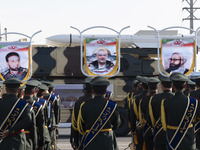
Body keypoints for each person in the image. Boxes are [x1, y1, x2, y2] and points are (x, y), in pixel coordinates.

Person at [77, 76, 121, 150]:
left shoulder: (84, 105)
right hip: (108, 140)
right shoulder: (112, 105)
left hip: (90, 140)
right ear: (105, 91)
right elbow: (117, 124)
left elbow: (80, 127)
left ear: (93, 90)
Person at [161, 73, 200, 150]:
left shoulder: (165, 102)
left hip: (172, 138)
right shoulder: (194, 102)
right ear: (185, 86)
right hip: (189, 138)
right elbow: (196, 119)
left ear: (173, 86)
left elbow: (164, 124)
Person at [0, 78, 32, 150]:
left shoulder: (0, 103)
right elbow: (27, 121)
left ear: (6, 89)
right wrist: (10, 130)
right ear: (18, 90)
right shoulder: (23, 105)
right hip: (17, 141)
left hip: (2, 141)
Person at [147, 74, 174, 150]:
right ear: (172, 85)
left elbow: (150, 117)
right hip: (174, 133)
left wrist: (155, 126)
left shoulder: (154, 99)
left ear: (162, 86)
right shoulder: (175, 98)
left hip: (159, 132)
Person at [70, 77, 93, 150]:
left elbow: (75, 124)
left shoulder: (78, 102)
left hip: (82, 136)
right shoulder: (104, 103)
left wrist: (73, 140)